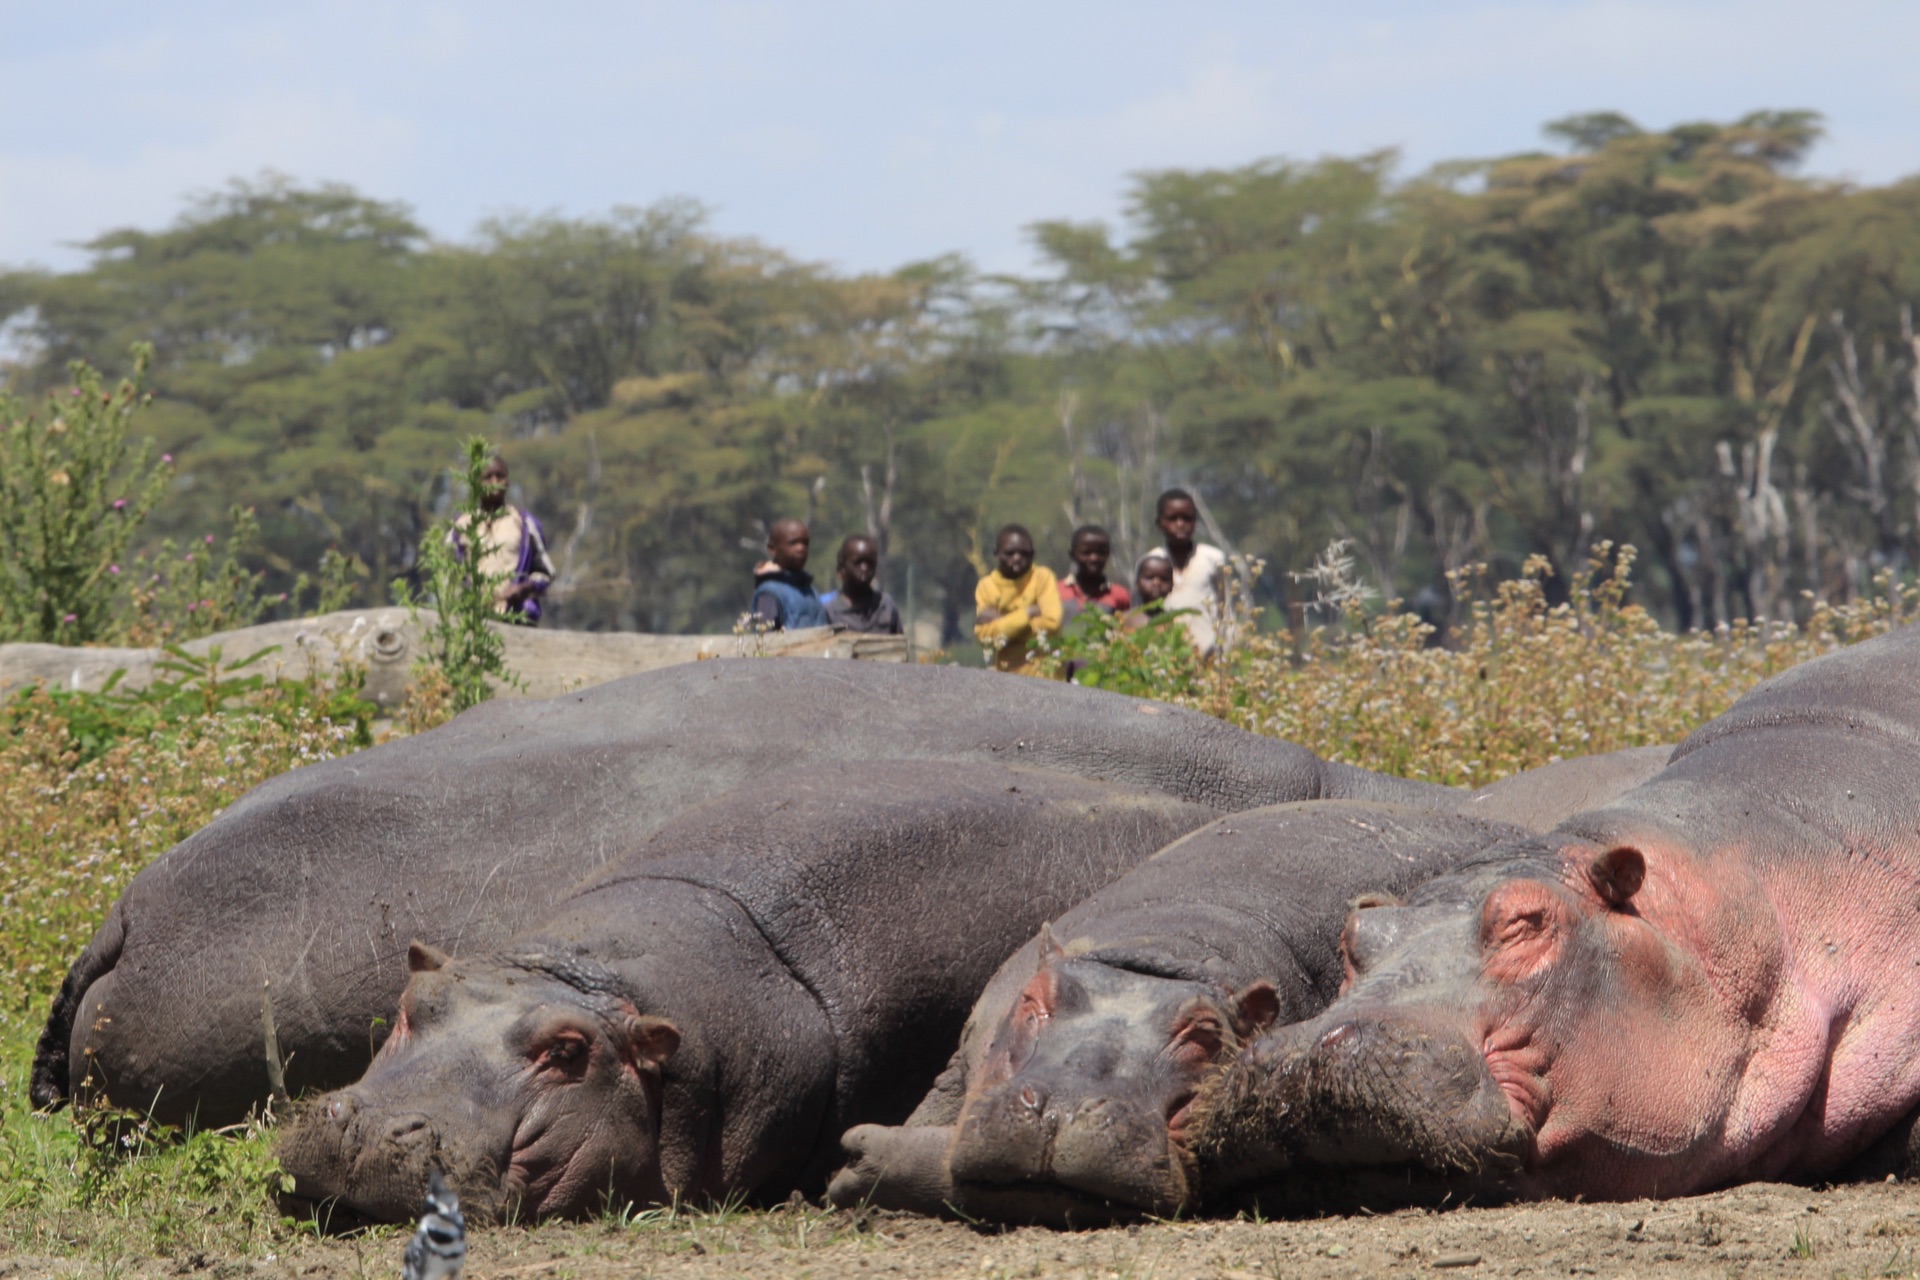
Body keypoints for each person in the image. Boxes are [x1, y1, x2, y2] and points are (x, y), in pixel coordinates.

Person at [450, 455, 555, 624]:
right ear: (476, 482)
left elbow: (546, 574)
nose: (495, 481)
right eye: (488, 477)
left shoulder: (524, 524)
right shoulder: (461, 526)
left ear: (508, 481)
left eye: (500, 476)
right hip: (473, 621)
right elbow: (449, 575)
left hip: (517, 620)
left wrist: (522, 588)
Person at [1145, 489, 1229, 657]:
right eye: (1172, 518)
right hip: (1166, 655)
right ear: (1159, 522)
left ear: (1195, 521)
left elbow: (1225, 608)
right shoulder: (1151, 561)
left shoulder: (1213, 559)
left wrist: (1225, 649)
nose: (1180, 524)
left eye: (1186, 518)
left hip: (1209, 656)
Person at [974, 523, 1062, 675]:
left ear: (1033, 554)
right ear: (997, 553)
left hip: (1045, 675)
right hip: (1007, 676)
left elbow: (1052, 624)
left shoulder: (1042, 577)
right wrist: (1028, 613)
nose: (1017, 558)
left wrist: (1003, 622)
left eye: (1024, 553)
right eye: (1010, 553)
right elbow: (985, 636)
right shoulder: (986, 585)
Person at [749, 518, 829, 630]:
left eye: (805, 543)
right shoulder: (769, 593)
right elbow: (764, 641)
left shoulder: (810, 591)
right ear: (772, 549)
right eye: (793, 543)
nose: (801, 548)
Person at [825, 534, 903, 634]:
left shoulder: (886, 606)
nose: (864, 568)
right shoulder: (829, 612)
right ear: (842, 567)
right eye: (858, 562)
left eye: (870, 562)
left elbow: (900, 645)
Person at [1056, 524, 1131, 623]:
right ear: (1072, 555)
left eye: (1101, 552)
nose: (1094, 558)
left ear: (1108, 554)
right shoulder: (1056, 591)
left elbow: (1127, 629)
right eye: (1087, 553)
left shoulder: (1120, 595)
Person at [1125, 552, 1176, 634]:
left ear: (1172, 586)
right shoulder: (1124, 619)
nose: (1156, 583)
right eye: (1149, 578)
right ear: (1137, 583)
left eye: (1164, 579)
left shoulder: (1176, 622)